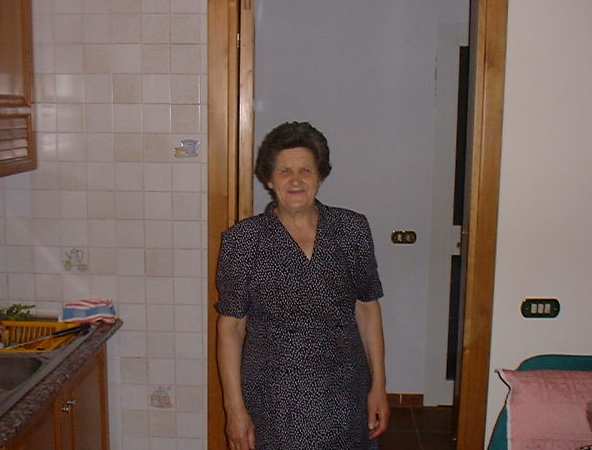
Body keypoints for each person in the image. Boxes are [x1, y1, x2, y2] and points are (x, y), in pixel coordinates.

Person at [216, 121, 390, 450]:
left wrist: (379, 385)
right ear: (269, 179)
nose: (295, 180)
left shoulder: (352, 230)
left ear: (320, 176)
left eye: (305, 170)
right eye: (284, 171)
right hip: (272, 399)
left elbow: (368, 309)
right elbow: (231, 328)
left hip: (344, 393)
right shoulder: (243, 240)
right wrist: (234, 408)